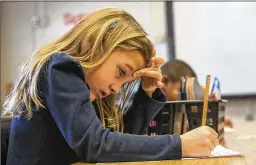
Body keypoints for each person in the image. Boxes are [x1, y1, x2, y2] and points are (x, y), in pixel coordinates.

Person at [2, 8, 219, 165]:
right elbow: (95, 144)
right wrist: (179, 144)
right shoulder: (60, 67)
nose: (117, 88)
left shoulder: (90, 86)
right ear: (101, 44)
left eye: (126, 81)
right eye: (121, 72)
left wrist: (147, 91)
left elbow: (120, 143)